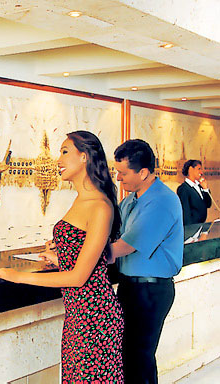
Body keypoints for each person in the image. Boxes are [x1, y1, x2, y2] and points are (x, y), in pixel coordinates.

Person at [0, 130, 124, 383]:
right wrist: (60, 257)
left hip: (95, 317)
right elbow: (87, 256)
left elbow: (79, 277)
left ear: (84, 157)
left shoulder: (100, 206)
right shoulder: (81, 200)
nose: (58, 160)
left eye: (65, 152)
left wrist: (17, 276)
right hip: (78, 315)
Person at [109, 139, 184, 384]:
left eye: (123, 173)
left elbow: (124, 246)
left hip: (150, 291)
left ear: (142, 173)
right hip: (131, 287)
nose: (118, 178)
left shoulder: (162, 200)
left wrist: (77, 256)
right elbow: (111, 233)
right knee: (129, 358)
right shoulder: (131, 200)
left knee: (139, 358)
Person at [177, 159, 211, 225]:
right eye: (199, 169)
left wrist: (205, 189)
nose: (201, 172)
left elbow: (208, 204)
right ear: (190, 169)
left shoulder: (199, 186)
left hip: (201, 225)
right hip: (192, 227)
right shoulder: (184, 189)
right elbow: (185, 213)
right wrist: (190, 229)